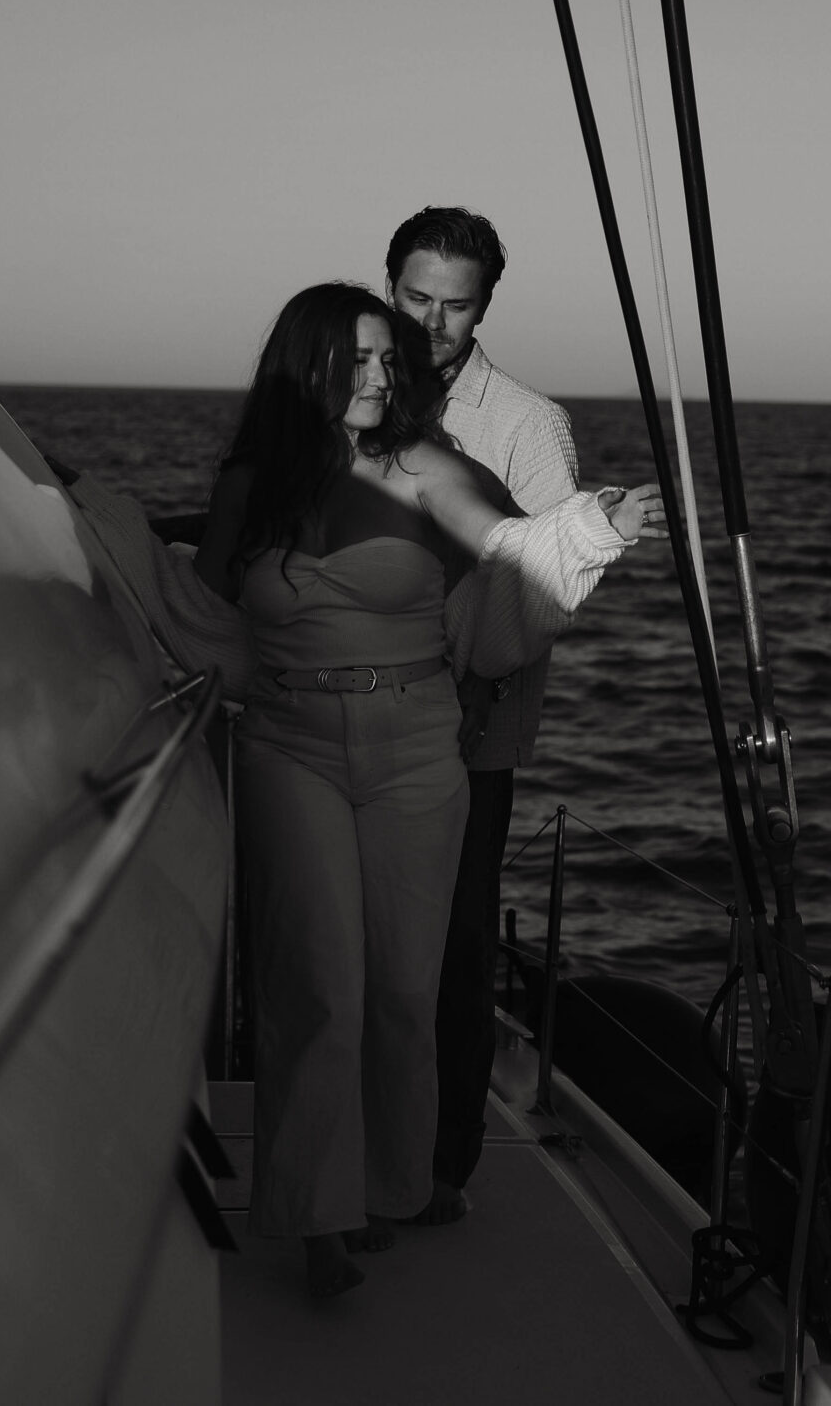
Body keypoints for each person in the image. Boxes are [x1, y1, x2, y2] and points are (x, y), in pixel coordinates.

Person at [194, 281, 660, 1298]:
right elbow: (199, 609)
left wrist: (594, 523)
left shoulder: (426, 468)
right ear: (304, 366)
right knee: (317, 981)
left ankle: (388, 1187)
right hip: (288, 743)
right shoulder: (249, 484)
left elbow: (509, 547)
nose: (378, 376)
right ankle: (316, 1219)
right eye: (357, 359)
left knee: (403, 987)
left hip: (414, 744)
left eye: (386, 360)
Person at [382, 206, 580, 1225]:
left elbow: (544, 590)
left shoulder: (530, 424)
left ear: (485, 308)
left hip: (467, 740)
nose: (432, 324)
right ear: (389, 290)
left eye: (456, 307)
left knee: (453, 950)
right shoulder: (353, 396)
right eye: (415, 300)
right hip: (348, 727)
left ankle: (440, 1166)